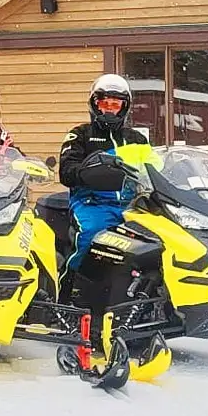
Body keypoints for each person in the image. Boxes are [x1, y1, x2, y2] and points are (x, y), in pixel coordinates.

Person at [57, 74, 149, 270]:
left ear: (124, 108)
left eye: (114, 105)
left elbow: (155, 168)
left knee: (158, 239)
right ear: (94, 104)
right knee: (89, 234)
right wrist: (90, 171)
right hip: (92, 204)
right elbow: (66, 171)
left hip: (133, 205)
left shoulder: (136, 139)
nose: (109, 109)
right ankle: (68, 288)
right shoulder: (81, 134)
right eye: (104, 104)